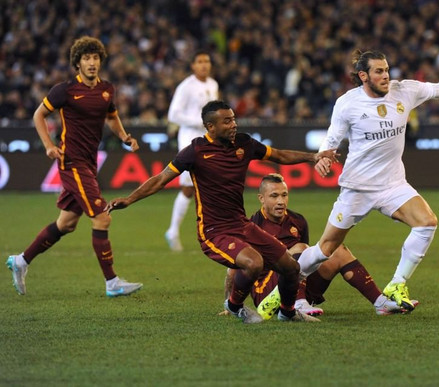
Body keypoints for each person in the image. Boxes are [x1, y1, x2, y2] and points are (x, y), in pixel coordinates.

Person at [298, 49, 439, 311]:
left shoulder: (405, 90)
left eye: (387, 69)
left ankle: (397, 284)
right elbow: (332, 139)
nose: (386, 76)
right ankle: (286, 288)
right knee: (325, 249)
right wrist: (322, 157)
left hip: (393, 184)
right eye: (379, 71)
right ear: (363, 76)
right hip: (357, 188)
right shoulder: (347, 104)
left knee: (427, 222)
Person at [106, 100, 337, 323]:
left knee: (291, 267)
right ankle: (235, 306)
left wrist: (313, 156)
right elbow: (161, 179)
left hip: (242, 225)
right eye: (227, 121)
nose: (233, 125)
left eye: (234, 119)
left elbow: (279, 155)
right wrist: (129, 199)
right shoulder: (195, 151)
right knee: (253, 263)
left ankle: (287, 313)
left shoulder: (244, 144)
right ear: (210, 127)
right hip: (214, 231)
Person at [5, 36, 143, 297]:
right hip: (72, 162)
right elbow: (38, 114)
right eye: (86, 58)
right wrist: (48, 144)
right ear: (77, 63)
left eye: (95, 58)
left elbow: (112, 117)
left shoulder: (106, 89)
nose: (91, 63)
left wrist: (124, 136)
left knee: (67, 223)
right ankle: (112, 282)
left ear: (101, 61)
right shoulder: (64, 90)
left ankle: (21, 261)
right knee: (102, 217)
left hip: (89, 163)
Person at [221, 173, 413, 319]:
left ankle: (380, 302)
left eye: (284, 195)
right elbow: (233, 271)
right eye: (274, 196)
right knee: (300, 249)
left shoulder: (298, 221)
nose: (280, 201)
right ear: (261, 198)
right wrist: (229, 305)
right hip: (266, 294)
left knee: (336, 250)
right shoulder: (250, 226)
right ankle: (298, 303)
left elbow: (309, 261)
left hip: (294, 282)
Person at [165, 51, 219, 252]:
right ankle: (173, 230)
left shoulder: (213, 84)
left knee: (205, 186)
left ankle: (213, 230)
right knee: (188, 188)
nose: (204, 65)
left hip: (208, 139)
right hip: (188, 138)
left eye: (207, 61)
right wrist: (198, 122)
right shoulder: (186, 87)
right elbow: (173, 114)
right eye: (200, 62)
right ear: (193, 66)